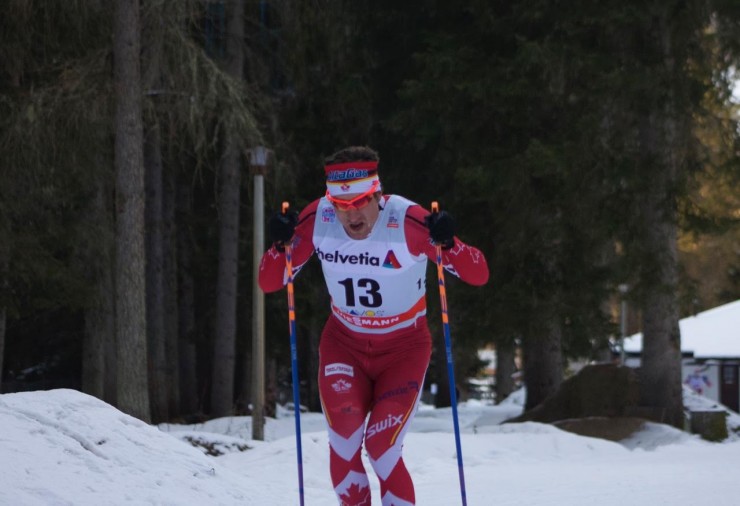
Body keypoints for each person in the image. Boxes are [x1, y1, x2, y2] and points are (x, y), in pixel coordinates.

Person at [258, 146, 489, 506]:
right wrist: (279, 245)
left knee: (382, 447)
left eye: (361, 202)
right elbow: (270, 281)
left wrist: (449, 241)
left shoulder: (407, 221)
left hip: (404, 349)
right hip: (344, 345)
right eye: (340, 204)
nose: (351, 215)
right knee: (345, 436)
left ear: (378, 196)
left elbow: (478, 273)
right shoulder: (318, 218)